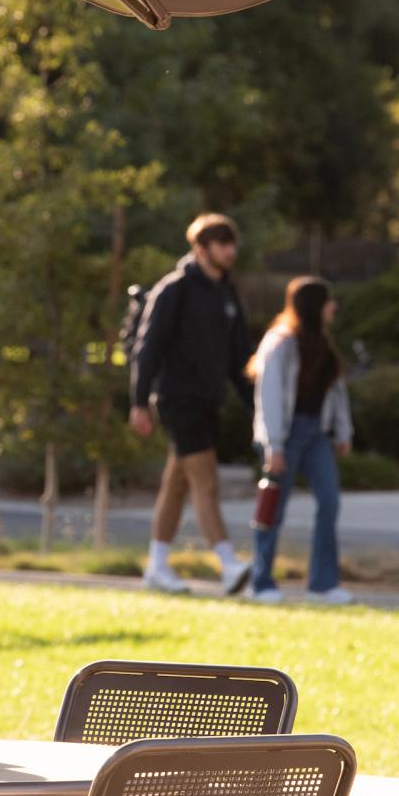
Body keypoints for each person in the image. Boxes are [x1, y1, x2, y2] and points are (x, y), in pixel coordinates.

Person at [129, 213, 254, 596]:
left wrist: (255, 405)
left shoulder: (226, 294)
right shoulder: (175, 289)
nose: (230, 251)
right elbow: (147, 350)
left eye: (231, 243)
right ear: (201, 249)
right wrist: (138, 402)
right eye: (221, 243)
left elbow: (238, 358)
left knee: (177, 483)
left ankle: (157, 566)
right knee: (206, 481)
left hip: (208, 401)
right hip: (178, 400)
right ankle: (229, 564)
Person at [245, 276, 354, 604]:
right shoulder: (280, 342)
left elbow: (336, 391)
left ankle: (322, 584)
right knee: (273, 508)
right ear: (314, 305)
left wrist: (343, 431)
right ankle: (260, 582)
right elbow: (270, 396)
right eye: (327, 300)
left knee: (330, 501)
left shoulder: (322, 341)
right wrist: (274, 445)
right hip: (285, 434)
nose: (333, 306)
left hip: (316, 433)